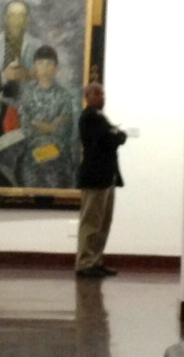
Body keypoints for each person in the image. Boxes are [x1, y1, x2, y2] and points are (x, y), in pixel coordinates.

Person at [75, 82, 126, 278]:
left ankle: (96, 260)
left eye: (102, 94)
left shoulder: (100, 118)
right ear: (87, 97)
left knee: (103, 223)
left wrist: (116, 135)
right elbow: (109, 140)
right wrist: (116, 135)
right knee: (91, 223)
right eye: (96, 94)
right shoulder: (88, 117)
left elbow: (116, 137)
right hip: (95, 177)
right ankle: (85, 262)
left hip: (107, 177)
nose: (101, 97)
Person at [17, 44, 76, 189]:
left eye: (49, 64)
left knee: (52, 162)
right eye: (40, 63)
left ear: (55, 68)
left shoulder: (64, 96)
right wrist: (51, 126)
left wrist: (38, 123)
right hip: (32, 149)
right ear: (34, 67)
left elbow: (65, 130)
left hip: (57, 149)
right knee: (33, 164)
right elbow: (25, 127)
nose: (44, 68)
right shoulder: (27, 94)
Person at [0, 0, 43, 100]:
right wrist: (4, 76)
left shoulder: (38, 45)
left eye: (21, 15)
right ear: (5, 18)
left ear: (27, 19)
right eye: (12, 15)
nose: (17, 20)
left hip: (29, 101)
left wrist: (27, 74)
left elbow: (45, 77)